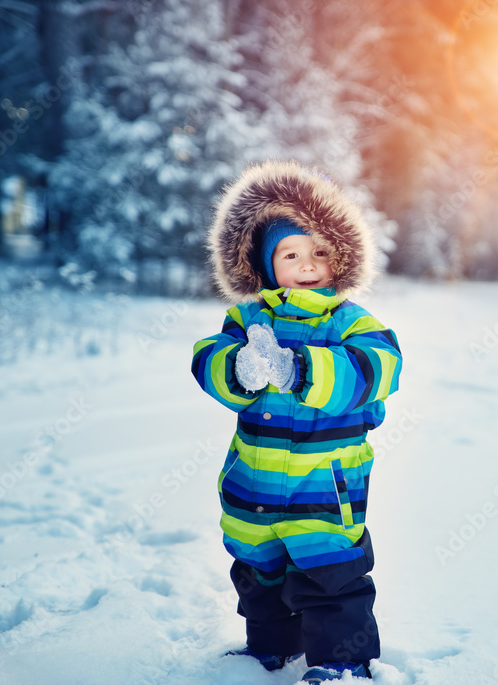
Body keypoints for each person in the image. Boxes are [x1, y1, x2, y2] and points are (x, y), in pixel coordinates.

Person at [191, 160, 402, 684]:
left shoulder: (350, 322)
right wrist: (237, 367)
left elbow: (377, 370)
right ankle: (271, 649)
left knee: (331, 577)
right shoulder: (246, 320)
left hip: (323, 491)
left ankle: (341, 662)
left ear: (340, 258)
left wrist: (299, 367)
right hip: (252, 488)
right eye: (291, 254)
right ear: (265, 266)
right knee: (260, 576)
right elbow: (207, 362)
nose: (307, 264)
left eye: (320, 252)